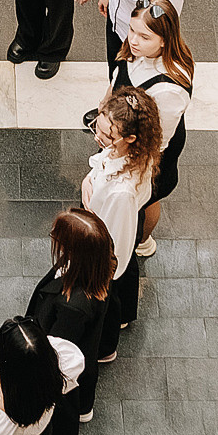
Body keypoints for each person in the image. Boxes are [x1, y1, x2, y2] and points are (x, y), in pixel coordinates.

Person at [27, 208, 115, 435]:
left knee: (62, 402)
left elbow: (58, 350)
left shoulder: (72, 306)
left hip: (64, 371)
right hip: (86, 353)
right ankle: (84, 408)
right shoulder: (100, 267)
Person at [83, 86, 162, 363]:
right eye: (99, 127)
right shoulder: (134, 154)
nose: (98, 137)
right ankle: (124, 316)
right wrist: (87, 181)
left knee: (108, 294)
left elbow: (116, 248)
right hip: (109, 220)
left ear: (130, 138)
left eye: (108, 135)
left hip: (105, 243)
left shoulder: (122, 194)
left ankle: (105, 347)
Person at [115, 0, 194, 259]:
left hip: (149, 152)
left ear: (164, 39)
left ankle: (143, 241)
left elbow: (158, 142)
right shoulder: (136, 51)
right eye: (132, 30)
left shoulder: (169, 89)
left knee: (146, 197)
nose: (134, 40)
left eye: (144, 36)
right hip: (126, 136)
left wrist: (133, 165)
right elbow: (117, 79)